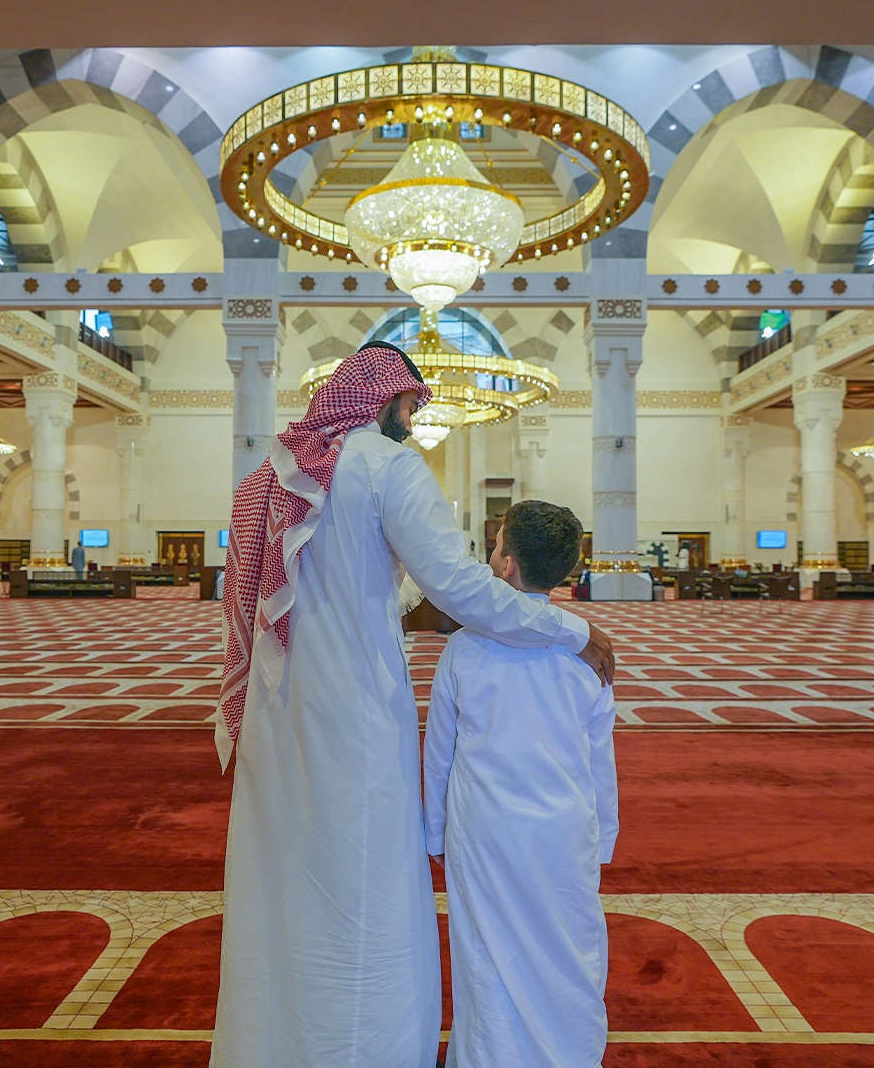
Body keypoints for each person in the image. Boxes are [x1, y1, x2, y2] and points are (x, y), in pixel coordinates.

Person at [212, 342, 615, 1068]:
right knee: (361, 883)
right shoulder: (387, 465)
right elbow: (457, 585)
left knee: (286, 882)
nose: (415, 418)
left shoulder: (276, 472)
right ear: (388, 397)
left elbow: (328, 584)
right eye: (412, 404)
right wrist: (569, 627)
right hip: (354, 710)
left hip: (276, 708)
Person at [423, 501, 619, 1068]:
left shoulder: (465, 648)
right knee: (569, 948)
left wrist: (433, 833)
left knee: (487, 955)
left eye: (494, 544)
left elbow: (440, 753)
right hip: (565, 827)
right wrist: (603, 836)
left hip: (485, 829)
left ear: (506, 564)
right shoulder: (589, 655)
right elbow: (599, 757)